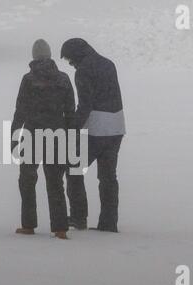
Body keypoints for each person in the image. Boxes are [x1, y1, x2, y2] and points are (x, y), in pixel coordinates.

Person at [11, 39, 76, 240]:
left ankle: (28, 225)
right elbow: (70, 112)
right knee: (55, 182)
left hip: (32, 135)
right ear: (50, 56)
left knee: (27, 181)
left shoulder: (28, 80)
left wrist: (14, 137)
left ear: (34, 57)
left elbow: (20, 110)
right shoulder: (64, 79)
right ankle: (60, 228)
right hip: (57, 136)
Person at [61, 38, 126, 233]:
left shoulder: (83, 71)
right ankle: (109, 223)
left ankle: (79, 217)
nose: (71, 65)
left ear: (77, 56)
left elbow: (85, 105)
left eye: (70, 60)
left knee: (73, 168)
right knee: (108, 177)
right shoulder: (108, 63)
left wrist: (71, 128)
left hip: (96, 130)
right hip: (117, 127)